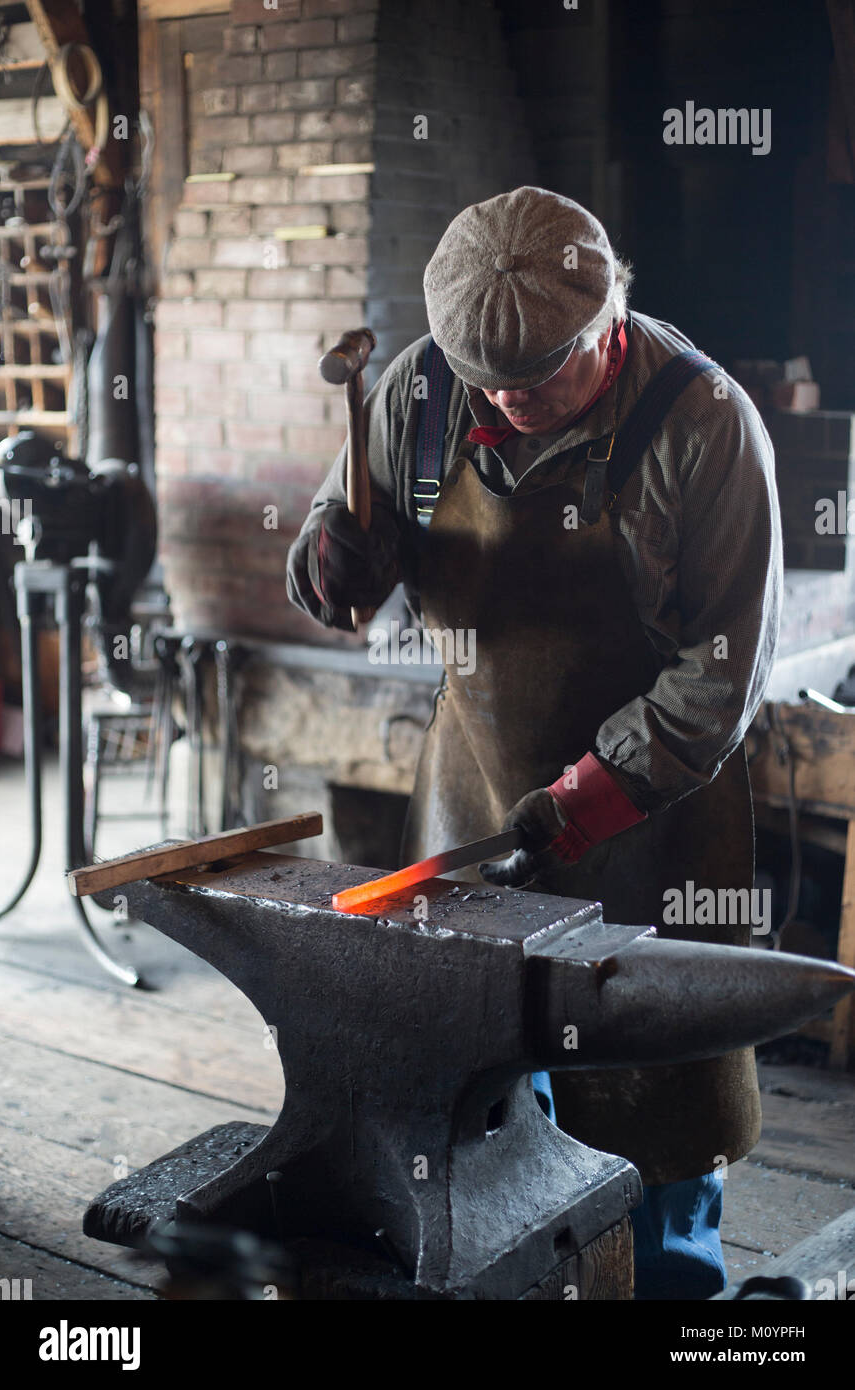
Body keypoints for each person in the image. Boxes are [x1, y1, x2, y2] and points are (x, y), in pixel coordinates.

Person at [287, 186, 783, 1299]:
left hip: (647, 822)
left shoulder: (700, 426)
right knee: (486, 1110)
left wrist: (576, 807)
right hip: (474, 801)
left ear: (608, 323)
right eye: (484, 379)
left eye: (535, 375)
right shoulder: (418, 389)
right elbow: (340, 520)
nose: (503, 398)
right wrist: (329, 558)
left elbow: (717, 677)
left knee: (656, 1121)